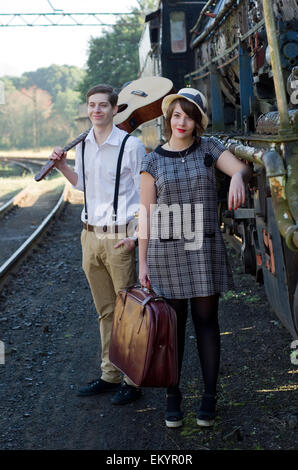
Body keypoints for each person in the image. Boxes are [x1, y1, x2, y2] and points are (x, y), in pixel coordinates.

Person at [138, 88, 252, 427]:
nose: (181, 121)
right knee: (171, 330)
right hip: (166, 253)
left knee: (206, 324)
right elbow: (145, 216)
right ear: (168, 118)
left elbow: (240, 169)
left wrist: (236, 178)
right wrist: (142, 263)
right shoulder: (152, 161)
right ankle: (173, 398)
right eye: (176, 115)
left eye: (188, 115)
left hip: (203, 249)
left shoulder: (209, 148)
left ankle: (209, 398)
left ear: (197, 120)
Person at [50, 84, 146, 405]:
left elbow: (146, 198)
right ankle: (110, 374)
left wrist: (135, 237)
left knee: (127, 312)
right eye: (92, 105)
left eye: (103, 105)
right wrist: (62, 166)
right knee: (105, 311)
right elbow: (83, 185)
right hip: (89, 235)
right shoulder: (84, 146)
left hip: (119, 236)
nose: (96, 111)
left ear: (115, 109)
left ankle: (132, 381)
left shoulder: (132, 146)